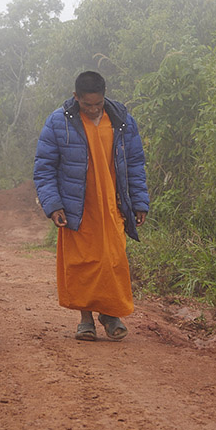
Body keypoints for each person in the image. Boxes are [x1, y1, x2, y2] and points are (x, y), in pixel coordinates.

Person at [33, 71, 149, 342]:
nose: (94, 110)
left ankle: (109, 314)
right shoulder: (57, 123)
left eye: (98, 104)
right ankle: (85, 319)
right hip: (77, 208)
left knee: (112, 259)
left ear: (104, 97)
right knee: (81, 263)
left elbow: (135, 163)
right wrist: (53, 205)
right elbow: (44, 168)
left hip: (112, 205)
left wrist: (139, 201)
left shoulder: (121, 121)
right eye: (88, 105)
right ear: (76, 98)